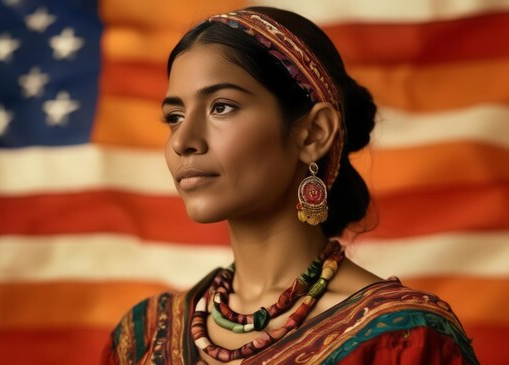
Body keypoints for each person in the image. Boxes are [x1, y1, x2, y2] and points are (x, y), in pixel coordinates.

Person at [103, 6, 479, 365]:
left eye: (222, 106)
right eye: (174, 116)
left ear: (314, 133)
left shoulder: (402, 339)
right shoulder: (143, 335)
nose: (183, 140)